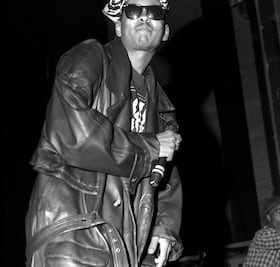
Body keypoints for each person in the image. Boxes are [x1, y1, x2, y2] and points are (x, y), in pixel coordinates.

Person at [25, 0, 183, 266]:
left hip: (125, 245)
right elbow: (73, 134)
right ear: (119, 26)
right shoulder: (90, 57)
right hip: (74, 234)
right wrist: (150, 147)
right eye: (133, 10)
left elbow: (166, 174)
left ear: (165, 31)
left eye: (154, 12)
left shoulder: (162, 108)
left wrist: (164, 225)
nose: (144, 16)